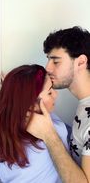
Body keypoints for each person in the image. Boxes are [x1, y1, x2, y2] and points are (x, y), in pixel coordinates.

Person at [27, 26, 90, 183]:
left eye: (55, 61)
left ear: (81, 62)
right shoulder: (84, 106)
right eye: (48, 59)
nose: (47, 68)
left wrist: (49, 135)